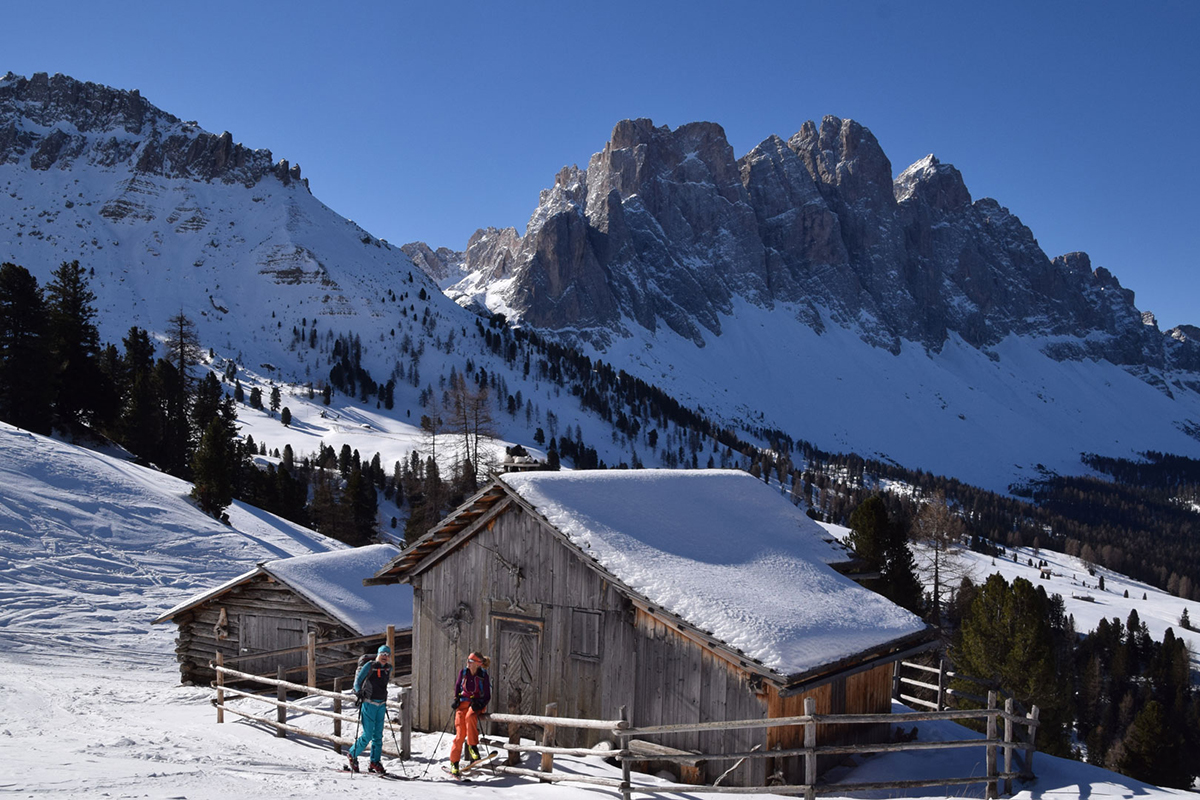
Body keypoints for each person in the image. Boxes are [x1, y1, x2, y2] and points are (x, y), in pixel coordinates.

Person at [348, 644, 392, 774]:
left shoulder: (389, 668)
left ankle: (375, 761)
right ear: (378, 654)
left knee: (378, 736)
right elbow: (357, 682)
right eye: (382, 654)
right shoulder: (370, 666)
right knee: (367, 735)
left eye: (387, 655)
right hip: (369, 703)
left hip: (381, 705)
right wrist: (358, 692)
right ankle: (352, 754)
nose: (384, 657)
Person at [448, 651, 490, 777]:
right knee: (460, 735)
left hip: (476, 704)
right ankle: (454, 763)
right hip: (463, 704)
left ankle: (472, 745)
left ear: (478, 664)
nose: (468, 663)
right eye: (468, 660)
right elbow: (457, 687)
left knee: (470, 717)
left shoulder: (483, 675)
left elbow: (487, 694)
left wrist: (481, 704)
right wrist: (456, 700)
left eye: (471, 661)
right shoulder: (464, 672)